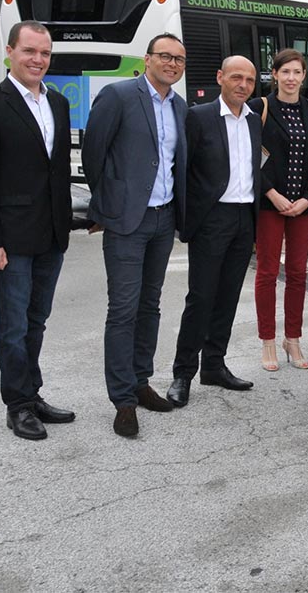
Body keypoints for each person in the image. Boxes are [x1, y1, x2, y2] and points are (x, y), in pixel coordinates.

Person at [0, 21, 75, 441]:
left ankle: (32, 393)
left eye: (45, 53)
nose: (38, 60)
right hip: (9, 239)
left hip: (50, 235)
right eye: (30, 51)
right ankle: (18, 405)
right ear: (10, 52)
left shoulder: (58, 104)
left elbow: (56, 172)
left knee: (36, 320)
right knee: (11, 324)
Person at [82, 33, 189, 438]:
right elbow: (94, 154)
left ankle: (142, 381)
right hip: (127, 221)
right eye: (165, 56)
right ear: (147, 59)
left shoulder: (179, 107)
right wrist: (107, 205)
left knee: (151, 305)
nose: (172, 64)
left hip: (163, 220)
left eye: (179, 59)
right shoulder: (119, 95)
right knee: (123, 309)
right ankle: (123, 399)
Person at [166, 56, 262, 407]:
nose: (243, 85)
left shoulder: (253, 120)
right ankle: (183, 372)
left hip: (243, 219)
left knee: (228, 297)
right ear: (220, 77)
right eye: (236, 77)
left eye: (250, 80)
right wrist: (188, 218)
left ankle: (215, 365)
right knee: (201, 297)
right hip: (212, 218)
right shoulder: (200, 116)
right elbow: (184, 169)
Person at [252, 49, 308, 372]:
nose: (291, 78)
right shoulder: (260, 108)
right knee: (267, 273)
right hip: (270, 205)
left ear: (303, 76)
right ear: (274, 74)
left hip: (303, 207)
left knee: (298, 274)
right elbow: (250, 155)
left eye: (297, 72)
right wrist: (272, 193)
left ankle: (292, 339)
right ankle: (268, 340)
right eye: (285, 72)